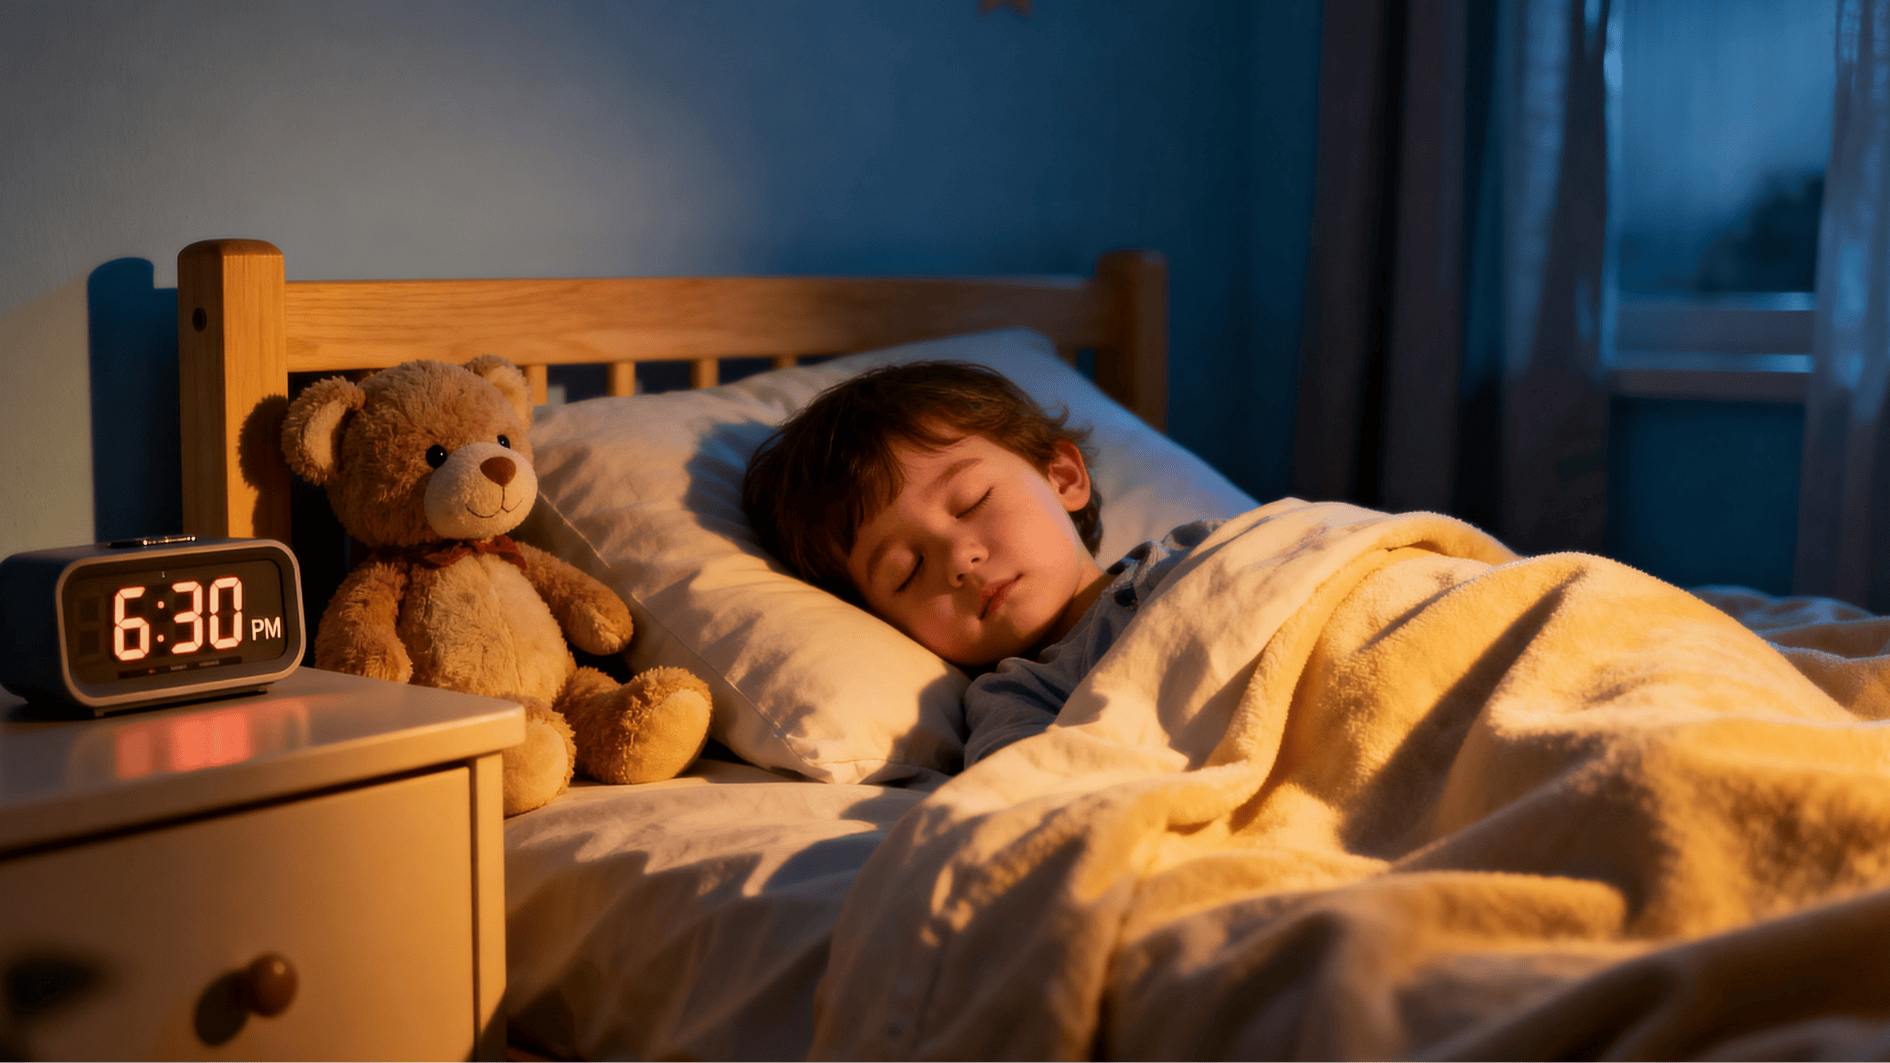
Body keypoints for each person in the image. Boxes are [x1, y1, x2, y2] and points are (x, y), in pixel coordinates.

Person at [742, 361, 1218, 766]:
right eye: (906, 571)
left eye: (971, 502)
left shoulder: (1203, 550)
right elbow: (1037, 806)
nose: (959, 560)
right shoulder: (1017, 702)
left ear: (1063, 478)